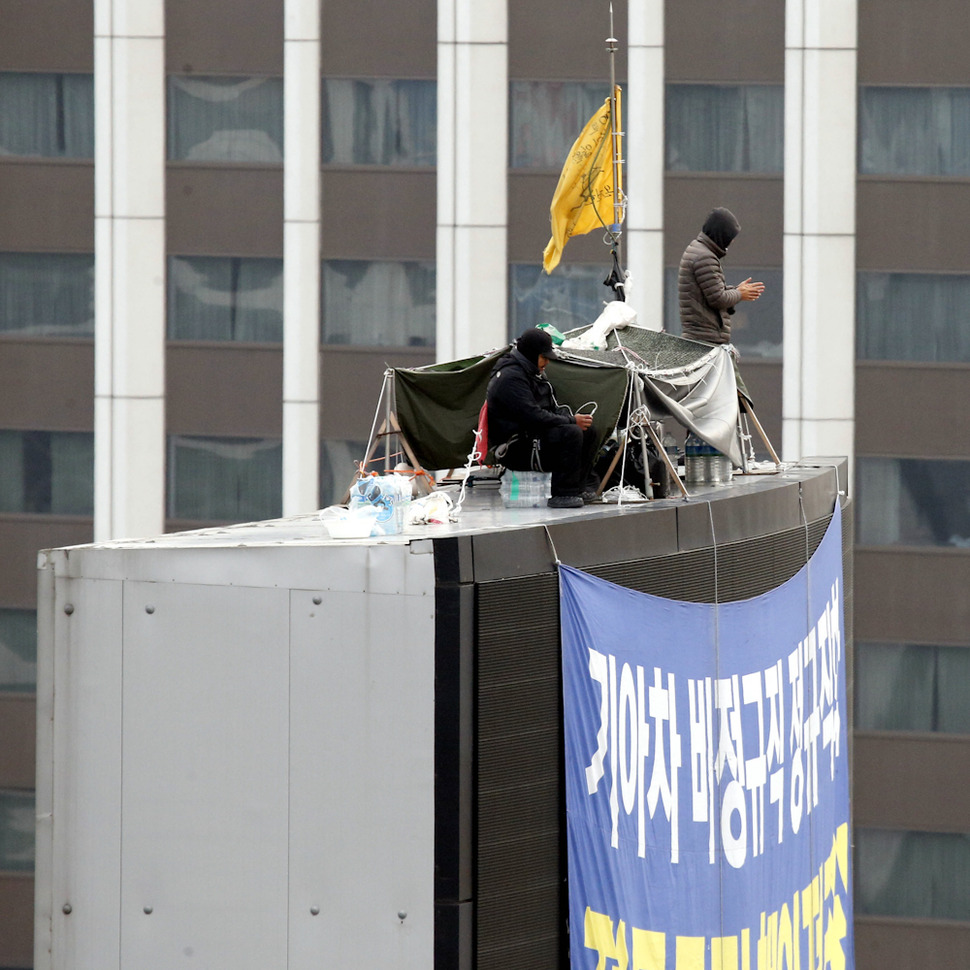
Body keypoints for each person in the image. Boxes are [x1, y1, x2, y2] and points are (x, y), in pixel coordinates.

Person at [487, 328, 597, 509]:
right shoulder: (510, 377)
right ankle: (563, 494)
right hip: (514, 448)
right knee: (571, 432)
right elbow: (532, 416)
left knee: (588, 430)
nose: (547, 362)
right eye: (544, 357)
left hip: (532, 437)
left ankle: (578, 488)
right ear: (531, 354)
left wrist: (571, 419)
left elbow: (546, 412)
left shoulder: (529, 372)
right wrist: (571, 421)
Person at [678, 206, 765, 346]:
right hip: (705, 341)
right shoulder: (704, 257)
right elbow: (718, 299)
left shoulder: (699, 251)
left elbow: (711, 293)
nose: (732, 241)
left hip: (700, 338)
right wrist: (739, 293)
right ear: (721, 235)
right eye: (730, 237)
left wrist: (737, 290)